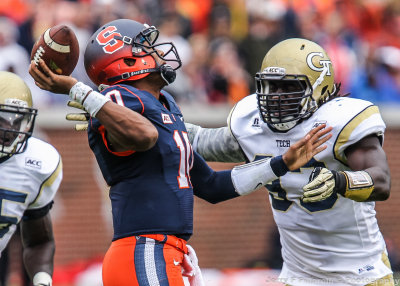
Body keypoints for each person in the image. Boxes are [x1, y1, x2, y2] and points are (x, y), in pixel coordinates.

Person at [29, 19, 332, 286]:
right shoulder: (116, 95)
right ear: (127, 61)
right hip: (144, 249)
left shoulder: (166, 105)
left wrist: (281, 164)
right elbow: (145, 135)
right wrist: (79, 91)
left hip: (166, 251)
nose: (159, 52)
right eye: (147, 46)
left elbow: (212, 186)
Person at [185, 38, 394, 286]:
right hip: (296, 275)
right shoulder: (255, 125)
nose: (276, 96)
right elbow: (197, 141)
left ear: (319, 88)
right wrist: (155, 117)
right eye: (271, 86)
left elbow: (381, 181)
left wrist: (340, 180)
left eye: (288, 88)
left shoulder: (338, 122)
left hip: (360, 274)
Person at [0, 71, 63, 286]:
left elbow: (39, 240)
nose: (7, 129)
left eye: (14, 120)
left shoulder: (38, 163)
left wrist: (42, 281)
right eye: (0, 119)